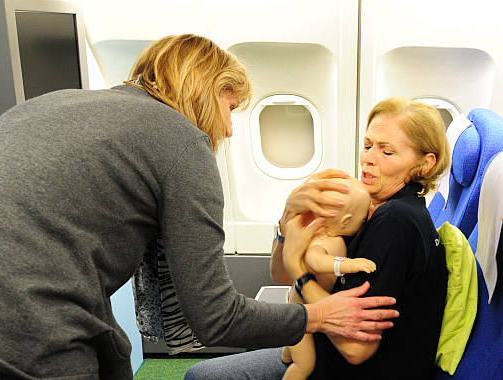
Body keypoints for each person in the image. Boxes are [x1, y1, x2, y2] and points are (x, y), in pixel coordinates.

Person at [0, 34, 398, 379]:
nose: (230, 130)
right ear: (201, 89)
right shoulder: (179, 142)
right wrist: (317, 315)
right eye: (229, 106)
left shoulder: (54, 105)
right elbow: (215, 317)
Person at [185, 96, 450, 380]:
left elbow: (356, 348)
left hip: (344, 370)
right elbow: (279, 274)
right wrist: (287, 218)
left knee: (201, 377)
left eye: (387, 152)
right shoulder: (365, 207)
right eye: (368, 145)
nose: (369, 158)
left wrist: (300, 272)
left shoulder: (395, 222)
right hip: (319, 347)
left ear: (424, 164)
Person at [281, 177, 375, 380]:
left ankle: (288, 351)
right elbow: (315, 261)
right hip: (301, 314)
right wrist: (349, 264)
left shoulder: (336, 237)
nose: (363, 224)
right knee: (304, 364)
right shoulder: (320, 240)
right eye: (361, 221)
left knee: (295, 346)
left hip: (305, 306)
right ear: (346, 221)